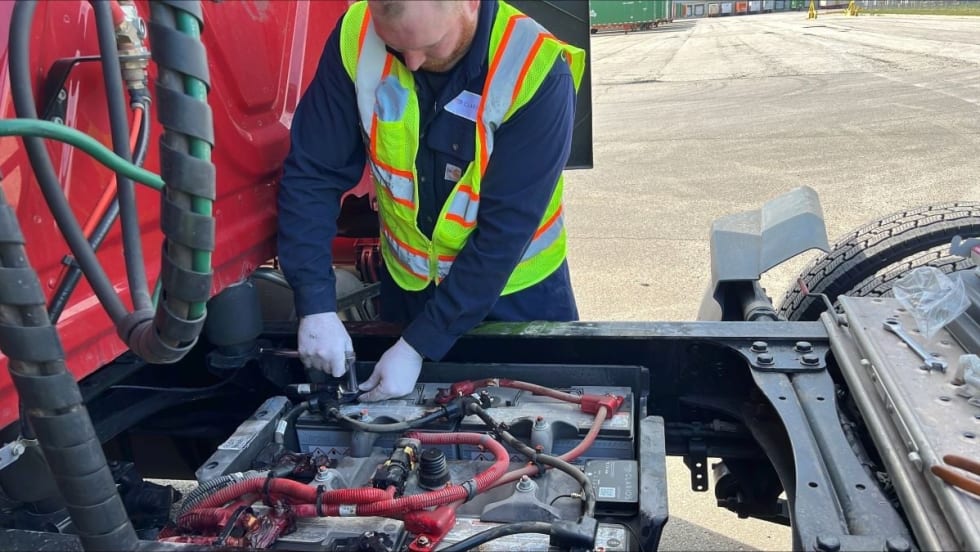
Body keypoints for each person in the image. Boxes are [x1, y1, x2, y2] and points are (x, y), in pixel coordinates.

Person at [277, 0, 585, 401]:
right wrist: (315, 302)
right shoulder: (357, 35)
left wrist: (418, 345)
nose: (413, 62)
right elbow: (313, 172)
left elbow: (503, 234)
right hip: (410, 290)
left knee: (535, 432)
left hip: (515, 298)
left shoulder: (535, 67)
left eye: (430, 45)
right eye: (396, 47)